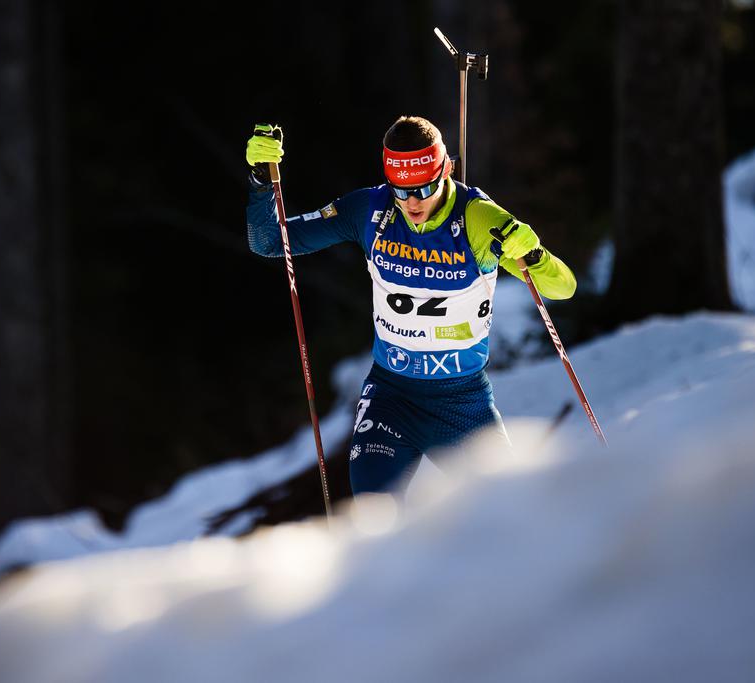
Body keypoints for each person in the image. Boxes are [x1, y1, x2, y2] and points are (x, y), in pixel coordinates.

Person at [245, 115, 576, 496]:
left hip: (462, 403)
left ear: (446, 170)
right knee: (371, 515)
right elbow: (269, 241)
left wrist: (533, 252)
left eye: (424, 188)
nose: (412, 202)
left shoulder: (479, 219)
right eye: (401, 191)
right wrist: (260, 180)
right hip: (391, 397)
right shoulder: (368, 210)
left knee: (509, 514)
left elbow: (563, 287)